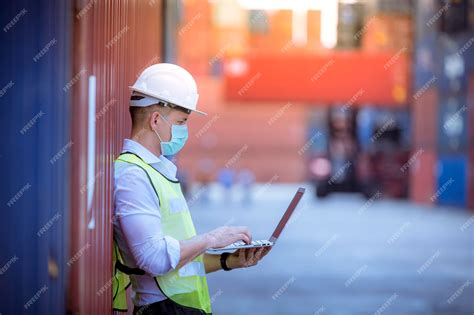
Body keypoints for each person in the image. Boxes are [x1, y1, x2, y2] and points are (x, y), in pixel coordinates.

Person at [112, 63, 270, 315]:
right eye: (181, 121)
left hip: (178, 308)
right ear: (155, 120)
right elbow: (153, 259)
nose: (185, 130)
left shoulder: (157, 172)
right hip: (162, 310)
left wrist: (227, 261)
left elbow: (177, 263)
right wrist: (211, 239)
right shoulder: (133, 175)